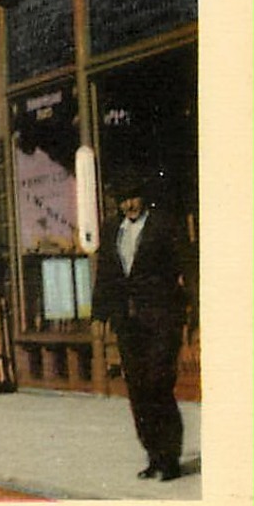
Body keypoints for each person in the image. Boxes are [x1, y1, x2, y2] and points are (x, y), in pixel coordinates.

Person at [91, 168, 193, 482]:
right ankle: (152, 455)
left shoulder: (163, 226)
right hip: (128, 321)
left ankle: (170, 457)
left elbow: (185, 266)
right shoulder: (113, 230)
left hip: (161, 318)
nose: (129, 205)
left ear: (143, 198)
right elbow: (106, 273)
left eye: (133, 198)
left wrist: (190, 312)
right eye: (123, 200)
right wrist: (99, 315)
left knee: (159, 384)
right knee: (137, 388)